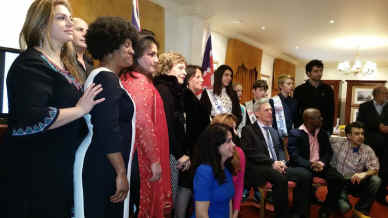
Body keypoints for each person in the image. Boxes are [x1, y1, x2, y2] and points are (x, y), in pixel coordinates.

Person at [2, 0, 104, 217]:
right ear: (41, 24)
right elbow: (32, 117)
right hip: (35, 172)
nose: (69, 22)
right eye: (61, 18)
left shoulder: (66, 65)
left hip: (60, 167)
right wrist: (80, 109)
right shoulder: (29, 65)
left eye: (69, 17)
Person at [73, 16, 138, 218]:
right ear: (111, 46)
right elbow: (106, 128)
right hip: (100, 165)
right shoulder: (106, 78)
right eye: (127, 46)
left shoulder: (110, 78)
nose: (132, 51)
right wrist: (120, 172)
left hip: (107, 162)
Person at [120, 34, 172, 218]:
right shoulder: (139, 81)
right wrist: (154, 160)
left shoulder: (132, 78)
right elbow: (142, 122)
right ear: (136, 56)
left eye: (157, 54)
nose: (156, 60)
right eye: (151, 54)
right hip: (140, 158)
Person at [241, 98, 311, 218]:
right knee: (280, 178)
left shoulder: (273, 131)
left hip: (277, 165)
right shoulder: (248, 130)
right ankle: (282, 215)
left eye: (271, 110)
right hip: (260, 168)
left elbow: (279, 149)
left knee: (306, 174)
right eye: (266, 110)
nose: (270, 112)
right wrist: (272, 163)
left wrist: (282, 162)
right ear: (257, 113)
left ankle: (299, 213)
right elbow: (251, 152)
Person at [288, 108, 344, 218]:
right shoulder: (296, 134)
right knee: (305, 177)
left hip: (320, 165)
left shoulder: (322, 133)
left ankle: (327, 208)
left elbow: (328, 152)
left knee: (338, 179)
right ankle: (300, 211)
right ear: (309, 120)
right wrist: (310, 164)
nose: (322, 119)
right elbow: (294, 157)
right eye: (318, 117)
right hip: (303, 166)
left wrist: (322, 163)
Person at [154, 52, 188, 208]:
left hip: (172, 152)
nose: (185, 72)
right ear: (167, 69)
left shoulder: (173, 90)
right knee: (167, 204)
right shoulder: (164, 90)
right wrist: (179, 154)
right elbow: (167, 126)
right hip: (168, 153)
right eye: (180, 68)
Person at [175, 65, 210, 218]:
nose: (202, 79)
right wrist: (186, 152)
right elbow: (186, 130)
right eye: (198, 76)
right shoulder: (186, 98)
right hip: (189, 152)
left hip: (195, 151)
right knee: (185, 187)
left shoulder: (193, 98)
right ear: (188, 80)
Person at [330, 122, 381, 218]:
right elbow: (320, 137)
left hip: (356, 181)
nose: (361, 136)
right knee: (344, 208)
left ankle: (361, 210)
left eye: (362, 134)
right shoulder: (338, 143)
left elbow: (375, 168)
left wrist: (364, 174)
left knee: (376, 180)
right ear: (348, 135)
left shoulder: (367, 149)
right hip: (340, 182)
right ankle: (338, 204)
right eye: (357, 134)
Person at [191, 124, 235, 218]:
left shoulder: (226, 168)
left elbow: (229, 202)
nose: (233, 145)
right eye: (229, 141)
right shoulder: (204, 171)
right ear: (216, 145)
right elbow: (201, 214)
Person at [357, 86, 388, 206]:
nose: (387, 95)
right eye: (384, 93)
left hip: (386, 144)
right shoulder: (365, 106)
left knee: (385, 170)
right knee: (366, 167)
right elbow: (360, 123)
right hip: (369, 144)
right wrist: (377, 126)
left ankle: (380, 195)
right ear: (376, 94)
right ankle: (364, 192)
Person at [211, 113, 246, 218]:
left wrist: (235, 213)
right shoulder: (206, 163)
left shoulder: (239, 153)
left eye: (236, 128)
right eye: (233, 129)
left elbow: (239, 186)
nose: (236, 133)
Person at [294, 59, 334, 134]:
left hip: (323, 129)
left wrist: (329, 129)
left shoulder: (328, 89)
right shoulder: (299, 90)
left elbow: (331, 111)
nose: (319, 73)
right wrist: (298, 128)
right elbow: (296, 112)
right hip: (304, 129)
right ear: (308, 73)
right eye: (316, 71)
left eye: (321, 71)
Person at [269, 74, 298, 139]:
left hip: (290, 135)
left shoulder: (294, 101)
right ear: (281, 86)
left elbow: (295, 120)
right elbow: (271, 120)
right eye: (288, 84)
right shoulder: (273, 101)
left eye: (292, 84)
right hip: (276, 135)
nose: (291, 86)